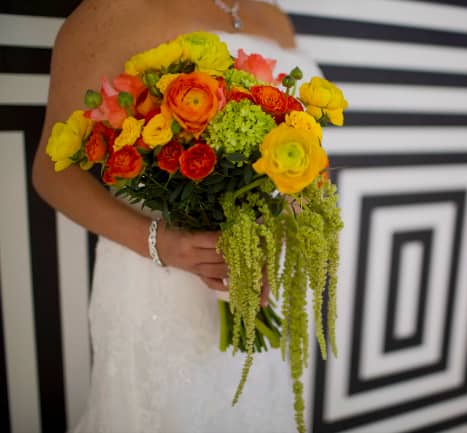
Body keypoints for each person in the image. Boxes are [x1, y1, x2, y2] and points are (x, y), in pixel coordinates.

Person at [31, 1, 322, 431]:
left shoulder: (273, 15)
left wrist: (280, 226)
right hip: (160, 277)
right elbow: (51, 173)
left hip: (263, 273)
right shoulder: (109, 11)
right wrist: (162, 242)